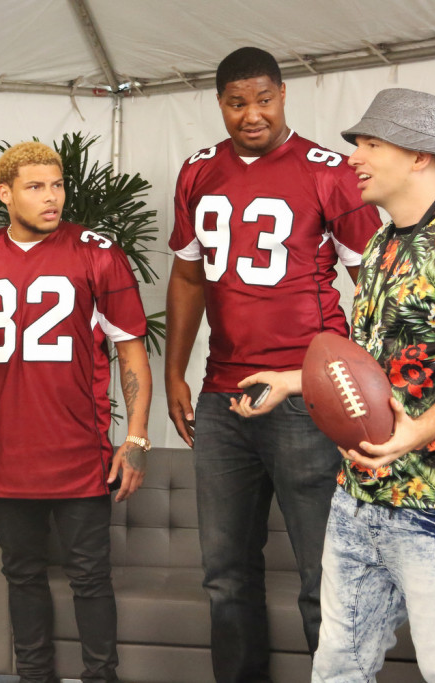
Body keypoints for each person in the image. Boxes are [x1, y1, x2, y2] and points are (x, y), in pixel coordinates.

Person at [164, 46, 381, 681]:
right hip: (224, 396)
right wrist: (178, 371)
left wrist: (352, 382)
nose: (251, 114)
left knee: (324, 574)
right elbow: (186, 277)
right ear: (219, 104)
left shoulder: (329, 170)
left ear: (283, 95)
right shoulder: (199, 170)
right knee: (225, 576)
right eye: (236, 102)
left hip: (305, 397)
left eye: (262, 100)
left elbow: (370, 284)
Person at [312, 88, 435, 681]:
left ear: (420, 155)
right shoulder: (379, 244)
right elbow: (373, 361)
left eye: (371, 144)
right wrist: (287, 379)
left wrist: (411, 435)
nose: (354, 157)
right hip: (357, 501)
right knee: (338, 670)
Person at [0, 141, 153, 683]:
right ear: (5, 194)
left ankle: (102, 677)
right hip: (9, 449)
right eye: (36, 187)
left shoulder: (98, 252)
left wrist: (139, 437)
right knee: (21, 575)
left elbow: (131, 351)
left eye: (57, 185)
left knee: (90, 578)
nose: (52, 197)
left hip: (80, 448)